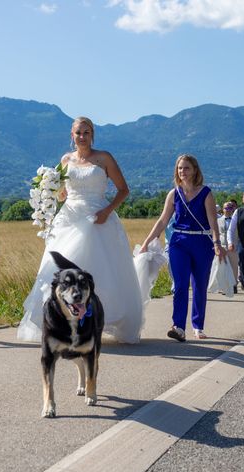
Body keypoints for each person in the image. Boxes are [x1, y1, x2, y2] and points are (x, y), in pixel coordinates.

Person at [18, 117, 143, 344]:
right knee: (58, 270)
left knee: (101, 271)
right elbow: (62, 191)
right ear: (72, 135)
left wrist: (107, 211)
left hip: (99, 219)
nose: (82, 137)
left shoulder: (104, 158)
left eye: (86, 132)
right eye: (78, 133)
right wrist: (54, 193)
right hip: (69, 220)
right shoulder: (65, 160)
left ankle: (96, 319)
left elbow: (124, 190)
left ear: (92, 134)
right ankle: (63, 323)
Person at [140, 154, 224, 341]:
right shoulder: (174, 194)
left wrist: (217, 243)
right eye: (179, 168)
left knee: (199, 285)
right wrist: (146, 243)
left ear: (195, 170)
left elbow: (213, 222)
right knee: (180, 285)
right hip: (179, 243)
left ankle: (197, 325)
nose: (182, 171)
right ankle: (178, 326)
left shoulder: (206, 193)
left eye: (186, 168)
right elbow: (162, 220)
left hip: (202, 243)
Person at [217, 202, 239, 294]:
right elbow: (216, 234)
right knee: (223, 267)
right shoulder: (218, 220)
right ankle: (225, 286)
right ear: (223, 209)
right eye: (226, 208)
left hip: (234, 246)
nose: (228, 210)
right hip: (222, 246)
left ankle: (234, 285)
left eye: (230, 208)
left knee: (234, 267)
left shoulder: (236, 220)